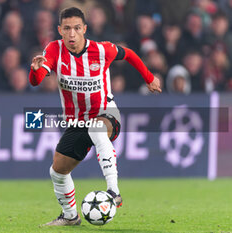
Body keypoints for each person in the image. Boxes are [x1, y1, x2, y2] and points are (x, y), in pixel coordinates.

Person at [28, 7, 161, 226]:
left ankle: (113, 191)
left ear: (85, 29)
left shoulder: (102, 50)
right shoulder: (54, 50)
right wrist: (35, 70)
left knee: (97, 128)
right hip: (77, 121)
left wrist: (149, 78)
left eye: (77, 28)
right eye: (67, 29)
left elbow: (129, 54)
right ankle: (70, 216)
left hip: (106, 114)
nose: (72, 34)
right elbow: (37, 79)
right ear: (60, 30)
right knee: (57, 172)